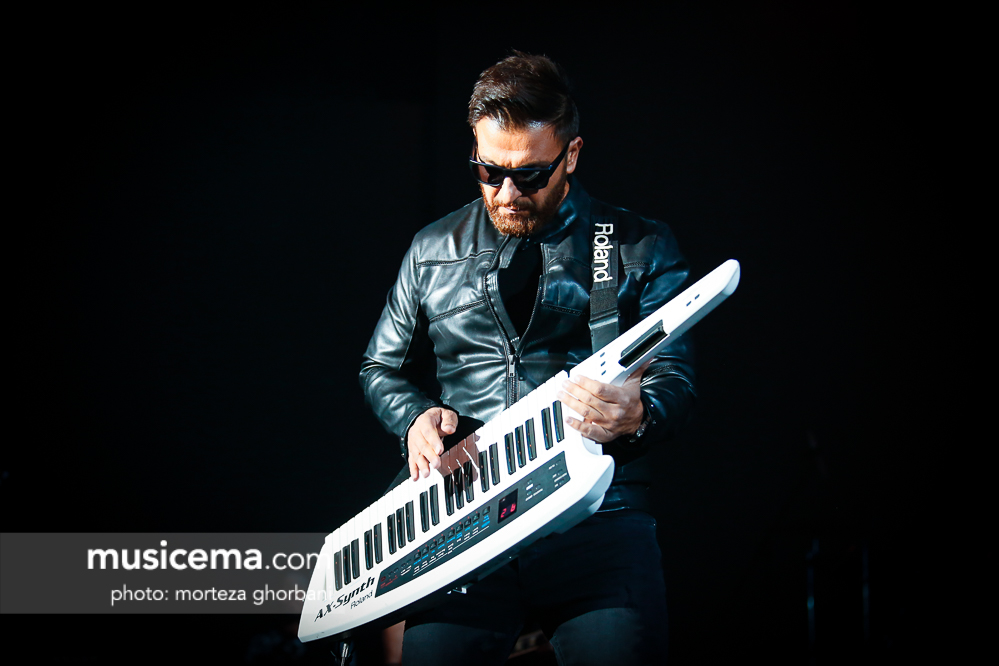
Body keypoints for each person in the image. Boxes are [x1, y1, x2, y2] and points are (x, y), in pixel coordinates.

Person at [359, 52, 696, 665]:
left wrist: (638, 412)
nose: (507, 192)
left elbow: (676, 375)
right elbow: (380, 368)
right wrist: (414, 419)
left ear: (572, 154)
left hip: (600, 513)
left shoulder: (639, 245)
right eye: (488, 171)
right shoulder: (432, 248)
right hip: (462, 518)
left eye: (530, 175)